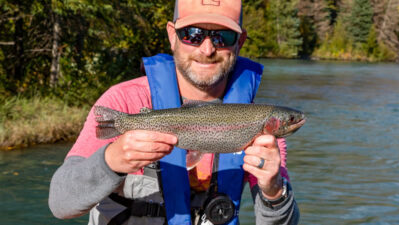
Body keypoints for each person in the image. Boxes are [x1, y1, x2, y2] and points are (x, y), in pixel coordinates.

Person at [49, 0, 300, 224]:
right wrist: (110, 162)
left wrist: (274, 189)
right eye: (192, 34)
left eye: (222, 37)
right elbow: (61, 204)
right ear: (172, 35)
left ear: (240, 42)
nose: (207, 48)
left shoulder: (261, 129)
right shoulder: (124, 101)